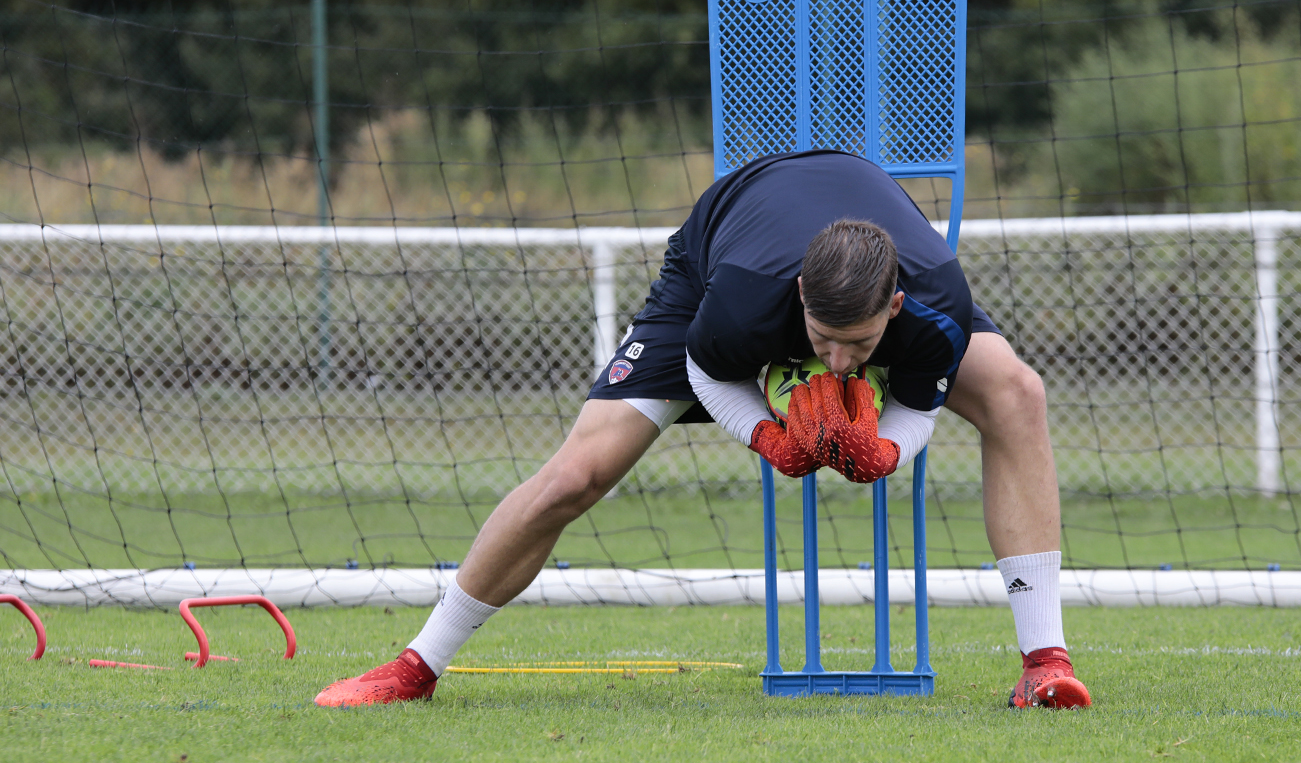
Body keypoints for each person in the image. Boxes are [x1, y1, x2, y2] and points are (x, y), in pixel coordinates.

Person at [314, 150, 1090, 710]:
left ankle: (1044, 662)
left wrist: (886, 449)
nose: (839, 359)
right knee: (577, 475)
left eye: (860, 344)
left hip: (866, 224)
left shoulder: (931, 306)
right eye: (822, 338)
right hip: (717, 254)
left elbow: (918, 403)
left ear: (893, 310)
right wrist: (769, 437)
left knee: (1019, 392)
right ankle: (417, 665)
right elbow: (710, 372)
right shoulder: (746, 301)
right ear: (797, 301)